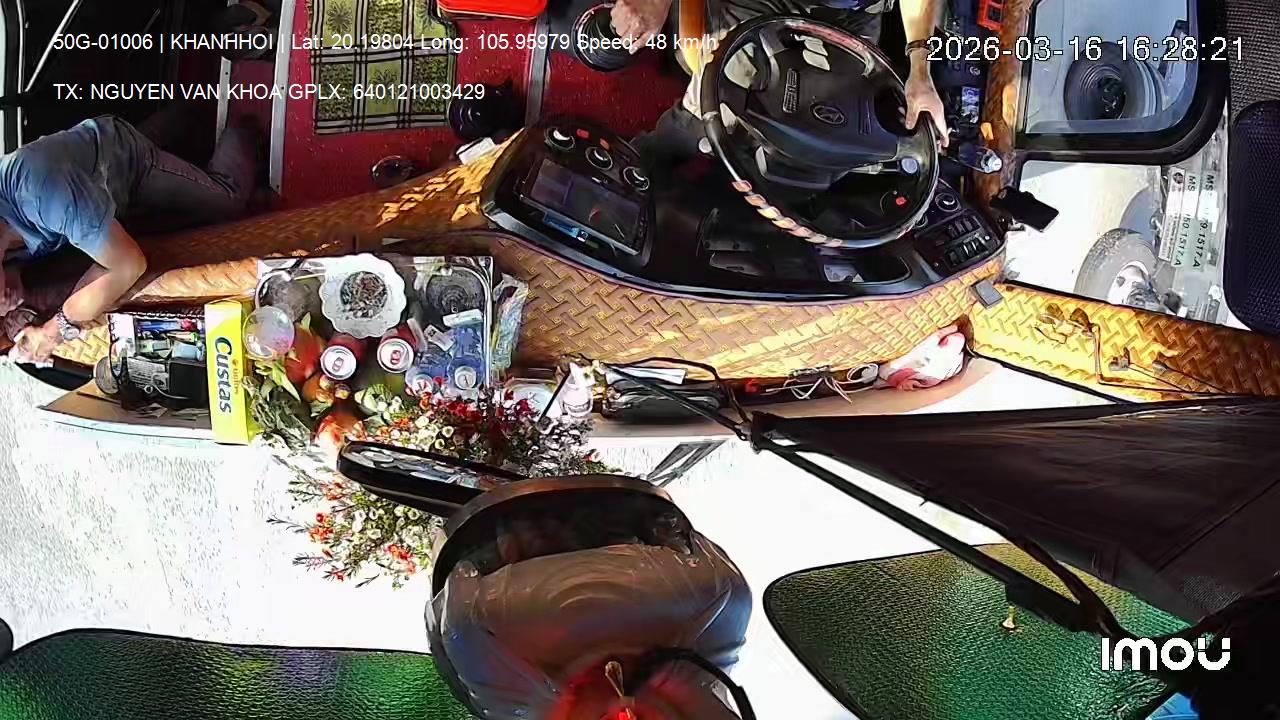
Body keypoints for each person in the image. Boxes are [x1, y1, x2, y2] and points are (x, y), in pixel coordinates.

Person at [0, 113, 258, 364]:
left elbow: (128, 265)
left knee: (228, 200)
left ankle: (244, 118)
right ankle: (181, 116)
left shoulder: (39, 192)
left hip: (125, 166)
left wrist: (52, 331)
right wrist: (13, 271)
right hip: (91, 179)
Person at [619, 0, 950, 163]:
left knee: (838, 135)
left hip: (855, 14)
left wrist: (921, 74)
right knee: (721, 105)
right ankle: (639, 167)